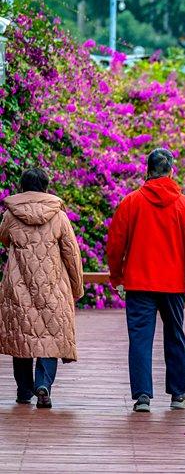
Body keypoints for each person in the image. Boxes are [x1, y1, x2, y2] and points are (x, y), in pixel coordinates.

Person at [107, 148, 185, 412]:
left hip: (139, 283)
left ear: (147, 171)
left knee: (140, 338)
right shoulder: (184, 205)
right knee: (175, 335)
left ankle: (142, 396)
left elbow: (115, 244)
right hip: (172, 284)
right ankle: (179, 393)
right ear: (171, 170)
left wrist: (116, 276)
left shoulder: (131, 202)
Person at [0, 169, 83, 409]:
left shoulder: (10, 215)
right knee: (50, 336)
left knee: (21, 336)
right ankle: (43, 384)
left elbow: (4, 239)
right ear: (46, 187)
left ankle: (24, 390)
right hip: (53, 287)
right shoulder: (59, 216)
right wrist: (76, 288)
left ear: (23, 187)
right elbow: (71, 254)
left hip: (18, 286)